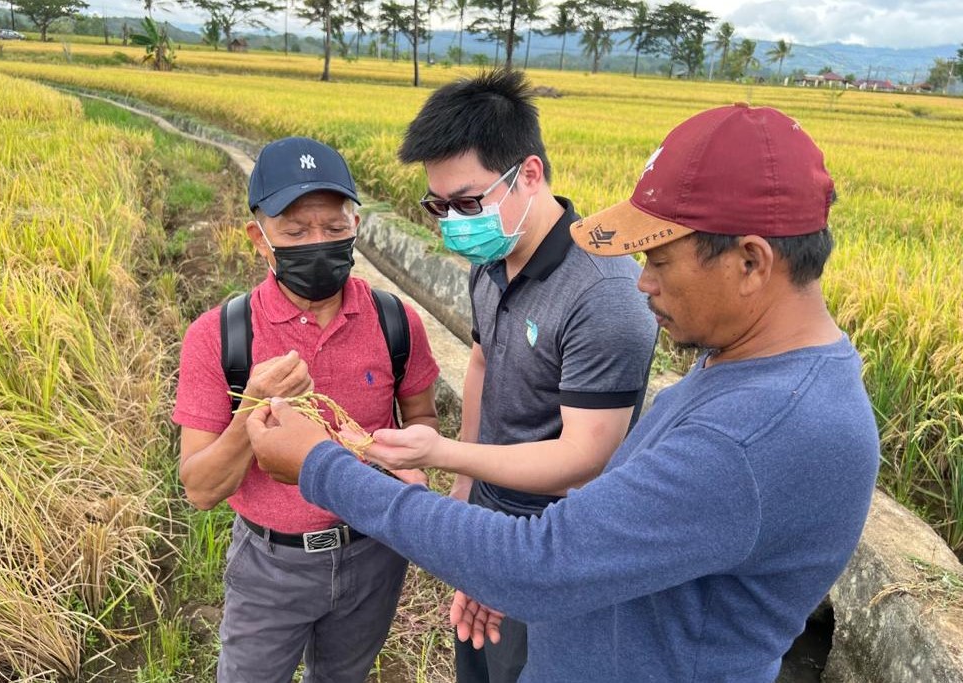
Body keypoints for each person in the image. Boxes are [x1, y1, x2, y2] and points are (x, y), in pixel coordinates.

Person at [244, 103, 881, 682]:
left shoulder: (756, 432)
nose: (642, 286)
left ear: (751, 262)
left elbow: (544, 555)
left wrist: (321, 467)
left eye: (658, 262)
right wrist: (498, 565)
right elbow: (602, 535)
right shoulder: (738, 369)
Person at [367, 69, 657, 682]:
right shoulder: (492, 259)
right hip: (494, 515)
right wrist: (469, 492)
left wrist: (446, 454)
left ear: (528, 173)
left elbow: (584, 459)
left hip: (557, 536)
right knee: (477, 665)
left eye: (467, 202)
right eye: (438, 205)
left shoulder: (603, 295)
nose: (451, 220)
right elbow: (480, 361)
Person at [171, 136, 440, 682]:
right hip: (270, 565)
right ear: (259, 238)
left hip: (373, 555)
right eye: (295, 231)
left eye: (335, 228)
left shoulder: (396, 322)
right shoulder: (219, 337)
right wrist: (251, 410)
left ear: (357, 225)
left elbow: (423, 419)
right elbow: (200, 489)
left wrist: (412, 463)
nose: (317, 242)